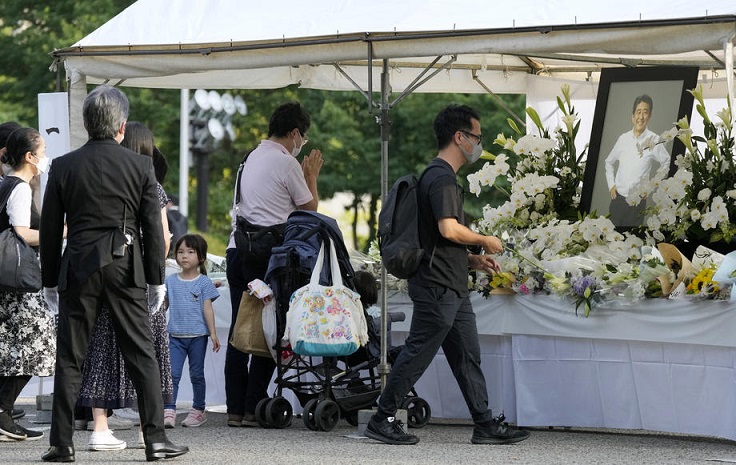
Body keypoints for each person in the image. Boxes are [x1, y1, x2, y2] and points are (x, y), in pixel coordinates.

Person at [365, 104, 530, 446]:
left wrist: (473, 260)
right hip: (437, 285)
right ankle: (382, 418)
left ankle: (484, 424)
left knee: (467, 354)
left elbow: (438, 239)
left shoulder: (439, 176)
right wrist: (484, 240)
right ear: (460, 137)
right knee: (418, 351)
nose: (479, 144)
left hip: (451, 283)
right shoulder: (440, 177)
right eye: (477, 137)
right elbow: (449, 228)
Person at [39, 85, 187, 462]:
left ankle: (61, 443)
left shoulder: (63, 165)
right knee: (142, 354)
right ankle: (155, 441)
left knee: (71, 357)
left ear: (88, 124)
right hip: (126, 267)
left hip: (79, 267)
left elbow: (52, 229)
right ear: (121, 126)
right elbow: (153, 230)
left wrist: (50, 281)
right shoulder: (140, 166)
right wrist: (156, 279)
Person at [75, 121, 174, 451]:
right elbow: (159, 239)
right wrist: (157, 279)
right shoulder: (149, 182)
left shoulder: (102, 180)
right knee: (147, 353)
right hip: (139, 279)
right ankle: (150, 431)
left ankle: (99, 427)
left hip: (99, 273)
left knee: (102, 347)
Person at [224, 101, 323, 427]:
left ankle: (235, 410)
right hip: (268, 259)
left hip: (238, 251)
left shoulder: (249, 157)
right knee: (271, 330)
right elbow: (309, 211)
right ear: (295, 133)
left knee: (241, 331)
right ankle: (254, 407)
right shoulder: (286, 163)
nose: (301, 145)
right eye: (303, 138)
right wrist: (311, 176)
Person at [0, 127, 56, 442]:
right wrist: (59, 231)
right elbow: (22, 232)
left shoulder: (4, 183)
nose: (45, 156)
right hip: (19, 284)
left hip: (6, 281)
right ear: (29, 156)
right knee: (40, 344)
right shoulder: (19, 187)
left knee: (10, 348)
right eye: (42, 150)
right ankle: (3, 410)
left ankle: (4, 414)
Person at [164, 234, 220, 428]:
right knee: (172, 374)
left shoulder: (204, 282)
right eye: (180, 252)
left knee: (197, 373)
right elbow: (163, 306)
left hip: (198, 336)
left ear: (201, 258)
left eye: (190, 252)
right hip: (175, 337)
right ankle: (169, 409)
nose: (184, 256)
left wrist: (212, 333)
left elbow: (207, 308)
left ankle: (198, 410)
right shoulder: (170, 281)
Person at [604, 94, 671, 227]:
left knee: (632, 242)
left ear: (649, 116)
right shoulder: (623, 139)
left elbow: (666, 163)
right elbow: (609, 162)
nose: (641, 117)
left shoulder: (654, 140)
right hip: (618, 199)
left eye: (645, 112)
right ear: (633, 116)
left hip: (638, 203)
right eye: (638, 112)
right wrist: (611, 184)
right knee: (611, 240)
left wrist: (651, 186)